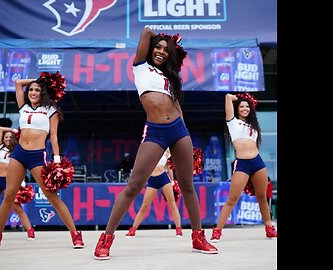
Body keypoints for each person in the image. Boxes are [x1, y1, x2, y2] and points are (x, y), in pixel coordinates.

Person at [93, 26, 217, 260]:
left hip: (179, 131)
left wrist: (185, 132)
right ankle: (105, 241)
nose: (161, 52)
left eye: (165, 50)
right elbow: (146, 31)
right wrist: (167, 39)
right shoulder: (140, 66)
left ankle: (198, 237)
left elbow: (177, 106)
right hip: (156, 132)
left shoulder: (169, 78)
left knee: (188, 185)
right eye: (157, 48)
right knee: (133, 186)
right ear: (150, 50)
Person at [0, 71, 84, 252]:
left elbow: (53, 137)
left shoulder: (51, 111)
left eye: (37, 90)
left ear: (43, 92)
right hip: (19, 154)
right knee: (9, 196)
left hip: (38, 156)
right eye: (31, 90)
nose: (33, 92)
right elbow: (17, 83)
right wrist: (38, 80)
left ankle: (75, 234)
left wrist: (57, 161)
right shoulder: (23, 107)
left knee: (52, 198)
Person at [210, 93, 277, 242]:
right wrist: (241, 98)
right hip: (242, 163)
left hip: (258, 163)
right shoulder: (232, 121)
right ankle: (217, 231)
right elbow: (228, 97)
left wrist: (245, 101)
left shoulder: (253, 125)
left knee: (262, 197)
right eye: (242, 106)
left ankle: (269, 228)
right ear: (237, 108)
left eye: (247, 106)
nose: (245, 108)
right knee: (232, 198)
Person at [124, 148, 183, 238]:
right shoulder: (150, 148)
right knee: (144, 206)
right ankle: (133, 230)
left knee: (172, 204)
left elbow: (169, 168)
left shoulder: (167, 151)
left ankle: (178, 229)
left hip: (163, 177)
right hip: (152, 179)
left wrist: (173, 181)